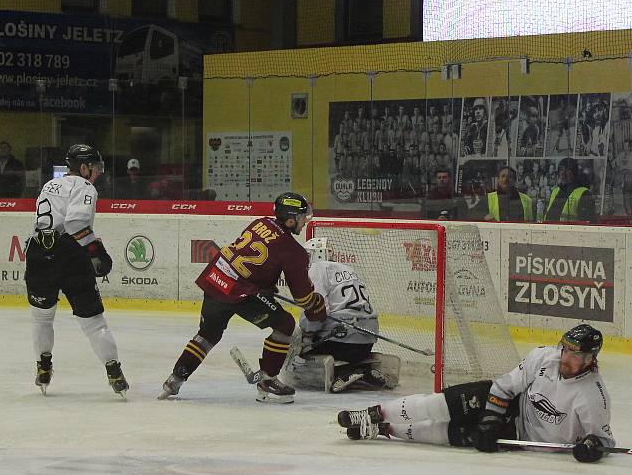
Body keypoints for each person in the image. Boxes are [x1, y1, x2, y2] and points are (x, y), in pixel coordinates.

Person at [336, 324, 614, 463]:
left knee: (445, 434)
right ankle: (374, 413)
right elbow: (504, 387)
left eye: (575, 354)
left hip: (515, 438)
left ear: (590, 359)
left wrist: (591, 449)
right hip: (505, 407)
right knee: (439, 405)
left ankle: (385, 430)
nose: (566, 357)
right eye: (565, 349)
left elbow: (604, 440)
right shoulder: (543, 358)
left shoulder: (592, 396)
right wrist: (492, 417)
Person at [159, 192, 327, 404]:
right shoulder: (294, 251)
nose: (304, 223)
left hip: (215, 278)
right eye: (303, 218)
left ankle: (174, 379)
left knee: (207, 335)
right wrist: (317, 306)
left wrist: (263, 285)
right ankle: (268, 380)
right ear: (291, 219)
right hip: (240, 292)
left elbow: (251, 259)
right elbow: (303, 298)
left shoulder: (260, 223)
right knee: (285, 324)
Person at [24, 144, 129, 398]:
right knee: (93, 323)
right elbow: (75, 222)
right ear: (84, 168)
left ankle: (43, 369)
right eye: (95, 168)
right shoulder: (84, 186)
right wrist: (96, 251)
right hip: (69, 254)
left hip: (38, 251)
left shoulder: (50, 185)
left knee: (42, 317)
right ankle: (114, 372)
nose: (98, 173)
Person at [283, 237, 399, 393]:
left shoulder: (316, 269)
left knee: (300, 344)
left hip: (340, 342)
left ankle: (342, 373)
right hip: (366, 342)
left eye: (308, 255)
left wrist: (305, 335)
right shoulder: (347, 269)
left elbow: (317, 310)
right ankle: (364, 371)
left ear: (316, 254)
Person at [544, 157, 596, 223]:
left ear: (574, 173)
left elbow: (588, 224)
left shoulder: (584, 193)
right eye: (561, 170)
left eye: (567, 170)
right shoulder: (555, 191)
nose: (563, 173)